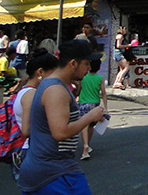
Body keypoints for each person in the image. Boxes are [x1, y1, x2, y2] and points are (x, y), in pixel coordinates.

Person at [17, 39, 105, 194]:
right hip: (52, 173)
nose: (89, 68)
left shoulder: (57, 86)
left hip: (55, 170)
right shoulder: (56, 89)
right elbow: (60, 132)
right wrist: (90, 116)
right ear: (73, 63)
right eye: (86, 63)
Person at [12, 49, 59, 181]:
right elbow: (26, 130)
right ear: (40, 72)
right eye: (52, 74)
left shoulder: (25, 91)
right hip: (33, 151)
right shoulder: (31, 95)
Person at [78, 58, 107, 160]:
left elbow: (78, 90)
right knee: (91, 126)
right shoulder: (100, 78)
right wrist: (106, 108)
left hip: (83, 103)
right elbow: (103, 93)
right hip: (94, 104)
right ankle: (87, 144)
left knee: (84, 125)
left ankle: (85, 145)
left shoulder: (84, 77)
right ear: (99, 67)